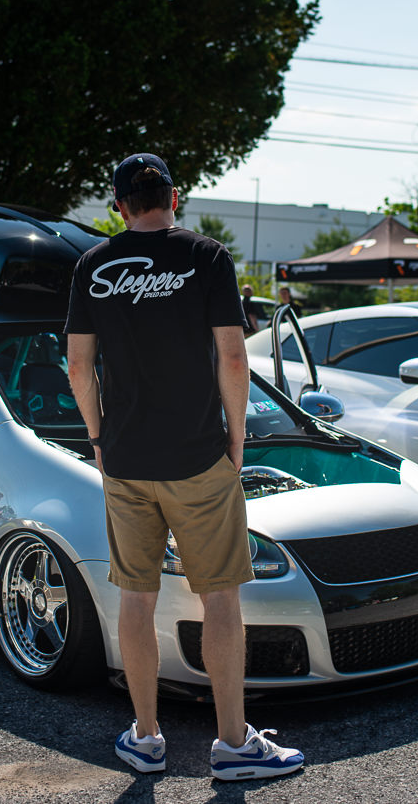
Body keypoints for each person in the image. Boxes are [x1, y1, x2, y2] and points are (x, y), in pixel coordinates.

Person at [65, 153, 305, 780]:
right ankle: (233, 745)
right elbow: (233, 358)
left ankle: (146, 738)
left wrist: (98, 436)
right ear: (174, 197)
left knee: (136, 597)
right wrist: (237, 438)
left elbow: (78, 367)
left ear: (119, 205)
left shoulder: (93, 265)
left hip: (125, 461)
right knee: (220, 597)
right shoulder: (207, 256)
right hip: (199, 458)